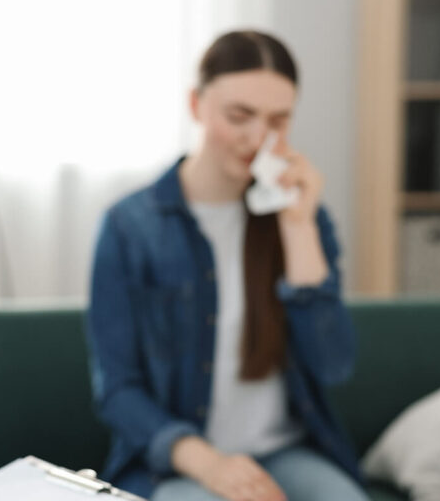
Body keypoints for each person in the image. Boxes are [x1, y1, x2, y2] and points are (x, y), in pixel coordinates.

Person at [85, 30, 368, 501]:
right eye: (240, 116)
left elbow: (334, 366)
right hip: (182, 463)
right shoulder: (129, 228)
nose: (258, 138)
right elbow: (117, 390)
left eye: (278, 120)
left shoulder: (304, 216)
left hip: (288, 453)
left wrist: (298, 228)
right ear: (197, 105)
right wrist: (210, 465)